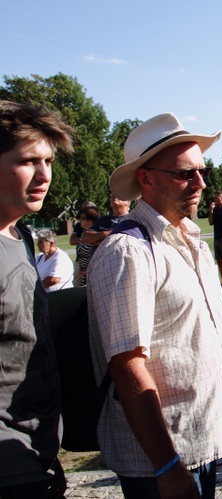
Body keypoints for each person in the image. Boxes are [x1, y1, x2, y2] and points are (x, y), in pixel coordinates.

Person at [87, 112, 222, 499]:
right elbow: (127, 366)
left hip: (203, 438)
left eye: (202, 171)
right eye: (185, 174)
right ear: (146, 178)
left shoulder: (193, 242)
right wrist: (167, 465)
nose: (201, 183)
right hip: (161, 459)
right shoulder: (128, 252)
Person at [0, 100, 74, 498]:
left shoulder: (22, 235)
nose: (44, 174)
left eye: (48, 161)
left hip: (36, 446)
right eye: (29, 161)